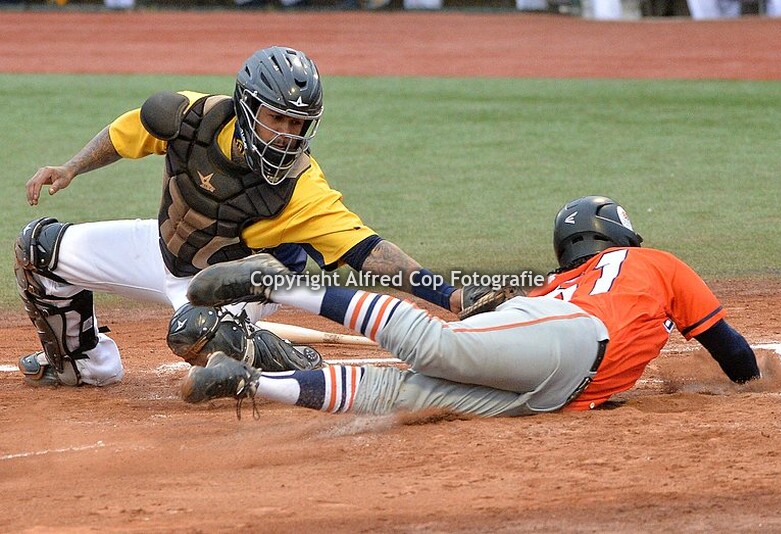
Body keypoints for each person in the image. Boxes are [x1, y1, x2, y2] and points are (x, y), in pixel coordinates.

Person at [15, 46, 464, 389]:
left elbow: (369, 251)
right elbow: (126, 133)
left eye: (299, 125)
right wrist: (71, 166)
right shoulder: (190, 119)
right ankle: (83, 367)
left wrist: (449, 296)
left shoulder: (300, 187)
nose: (288, 137)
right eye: (278, 120)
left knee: (191, 330)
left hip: (237, 282)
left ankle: (293, 362)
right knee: (36, 248)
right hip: (162, 251)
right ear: (247, 107)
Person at [180, 195, 760, 418]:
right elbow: (731, 351)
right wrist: (754, 382)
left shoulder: (545, 289)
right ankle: (277, 286)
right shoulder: (657, 263)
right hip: (577, 341)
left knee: (410, 395)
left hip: (557, 391)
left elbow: (501, 333)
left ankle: (253, 384)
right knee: (439, 347)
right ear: (616, 234)